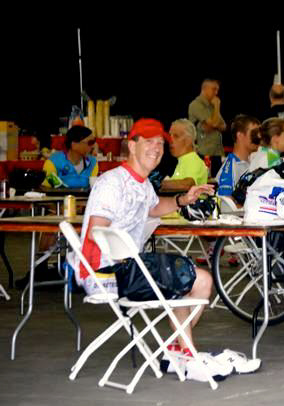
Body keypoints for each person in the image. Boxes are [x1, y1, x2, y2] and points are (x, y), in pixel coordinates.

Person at [73, 118, 217, 370]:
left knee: (196, 279)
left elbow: (154, 207)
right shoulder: (112, 182)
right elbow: (97, 231)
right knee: (188, 277)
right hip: (104, 272)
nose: (157, 147)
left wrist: (183, 199)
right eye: (149, 141)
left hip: (127, 268)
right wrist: (131, 259)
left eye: (160, 143)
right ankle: (188, 356)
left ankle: (176, 350)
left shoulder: (142, 183)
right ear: (132, 146)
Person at [188, 79, 227, 177]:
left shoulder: (212, 106)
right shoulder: (196, 105)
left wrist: (213, 125)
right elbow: (214, 124)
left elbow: (223, 126)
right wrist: (217, 107)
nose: (216, 93)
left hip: (216, 153)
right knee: (205, 183)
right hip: (203, 154)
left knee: (216, 182)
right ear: (204, 89)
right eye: (214, 89)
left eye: (217, 90)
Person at [216, 114, 260, 197]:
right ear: (240, 135)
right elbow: (226, 205)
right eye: (254, 133)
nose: (258, 137)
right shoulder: (230, 168)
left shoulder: (254, 162)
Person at [160, 119, 208, 190]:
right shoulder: (183, 160)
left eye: (176, 136)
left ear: (189, 140)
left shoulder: (192, 160)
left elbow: (187, 185)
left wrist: (157, 183)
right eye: (170, 135)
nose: (170, 140)